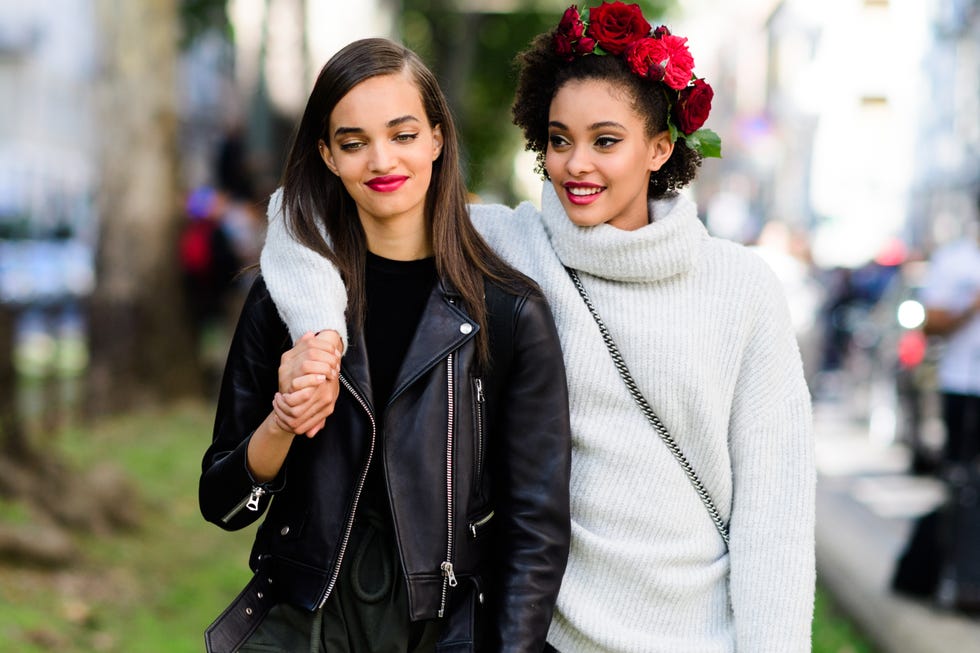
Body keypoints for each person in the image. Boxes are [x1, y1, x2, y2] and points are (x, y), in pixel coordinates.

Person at [260, 4, 815, 651]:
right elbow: (300, 214)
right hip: (548, 633)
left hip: (700, 636)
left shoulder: (742, 288)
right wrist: (321, 331)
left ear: (659, 146)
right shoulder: (501, 245)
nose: (577, 164)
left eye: (605, 141)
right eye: (558, 139)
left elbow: (775, 515)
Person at [199, 38, 572, 653]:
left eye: (402, 134)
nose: (381, 160)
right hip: (304, 623)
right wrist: (283, 422)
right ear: (327, 154)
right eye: (353, 142)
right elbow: (224, 502)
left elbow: (535, 530)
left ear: (436, 138)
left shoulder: (509, 311)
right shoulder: (288, 300)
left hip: (441, 627)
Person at [921, 205, 980, 468]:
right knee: (959, 465)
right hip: (963, 381)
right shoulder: (953, 260)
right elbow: (931, 325)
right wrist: (970, 308)